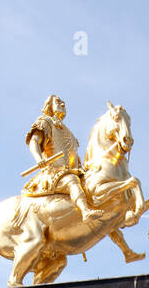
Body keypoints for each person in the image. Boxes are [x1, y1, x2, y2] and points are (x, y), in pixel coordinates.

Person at [22, 95, 103, 223]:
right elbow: (34, 141)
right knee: (71, 181)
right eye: (58, 102)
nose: (63, 104)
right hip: (54, 173)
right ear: (50, 106)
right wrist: (39, 159)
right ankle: (85, 211)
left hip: (73, 171)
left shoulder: (68, 132)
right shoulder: (45, 122)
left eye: (63, 102)